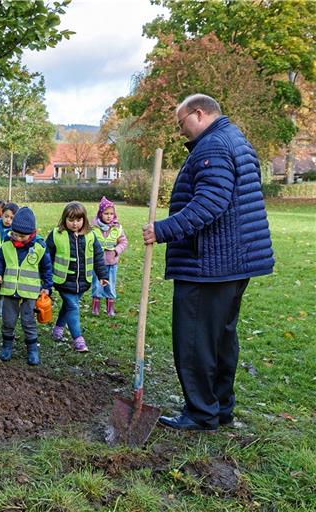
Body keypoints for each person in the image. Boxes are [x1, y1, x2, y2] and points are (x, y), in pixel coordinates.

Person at [142, 94, 274, 432]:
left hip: (210, 263)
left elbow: (210, 204)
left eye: (181, 122)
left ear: (198, 114)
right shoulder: (234, 139)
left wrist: (162, 230)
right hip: (233, 261)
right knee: (220, 339)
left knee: (195, 340)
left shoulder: (213, 147)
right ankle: (219, 407)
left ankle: (201, 413)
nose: (180, 130)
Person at [0, 207, 52, 366]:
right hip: (9, 290)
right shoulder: (6, 244)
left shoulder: (39, 247)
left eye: (22, 236)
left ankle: (32, 350)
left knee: (28, 322)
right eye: (15, 234)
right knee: (8, 321)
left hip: (30, 292)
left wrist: (47, 285)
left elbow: (46, 268)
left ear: (32, 233)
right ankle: (7, 347)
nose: (17, 238)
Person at [47, 202, 108, 352]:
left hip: (83, 282)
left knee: (68, 306)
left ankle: (58, 329)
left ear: (84, 220)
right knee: (73, 306)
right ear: (64, 219)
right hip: (63, 281)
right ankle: (78, 339)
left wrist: (102, 275)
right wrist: (45, 279)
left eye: (78, 220)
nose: (75, 224)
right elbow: (47, 257)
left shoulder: (90, 235)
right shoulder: (57, 234)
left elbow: (98, 256)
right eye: (71, 220)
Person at [90, 197, 128, 317]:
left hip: (111, 263)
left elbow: (123, 242)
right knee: (97, 285)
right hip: (97, 263)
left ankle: (110, 308)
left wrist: (116, 251)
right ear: (100, 214)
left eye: (111, 214)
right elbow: (88, 241)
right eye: (106, 213)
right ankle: (95, 307)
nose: (109, 216)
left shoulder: (117, 228)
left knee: (110, 285)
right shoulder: (93, 228)